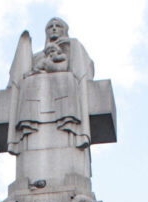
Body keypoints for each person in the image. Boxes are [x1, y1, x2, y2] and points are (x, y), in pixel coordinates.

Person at [6, 18, 95, 156]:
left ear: (65, 30)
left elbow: (86, 69)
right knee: (28, 83)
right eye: (50, 27)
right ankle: (28, 122)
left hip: (66, 87)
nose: (53, 29)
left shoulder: (73, 48)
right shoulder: (36, 57)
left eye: (58, 26)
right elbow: (23, 72)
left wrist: (70, 46)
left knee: (67, 79)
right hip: (35, 88)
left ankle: (68, 120)